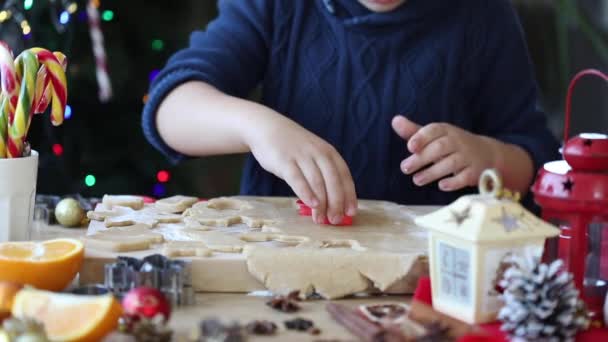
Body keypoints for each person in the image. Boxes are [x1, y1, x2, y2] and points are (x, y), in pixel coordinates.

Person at [142, 0, 560, 225]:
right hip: (281, 268)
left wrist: (490, 158)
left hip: (427, 282)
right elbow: (170, 109)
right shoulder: (274, 6)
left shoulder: (482, 15)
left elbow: (541, 162)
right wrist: (258, 127)